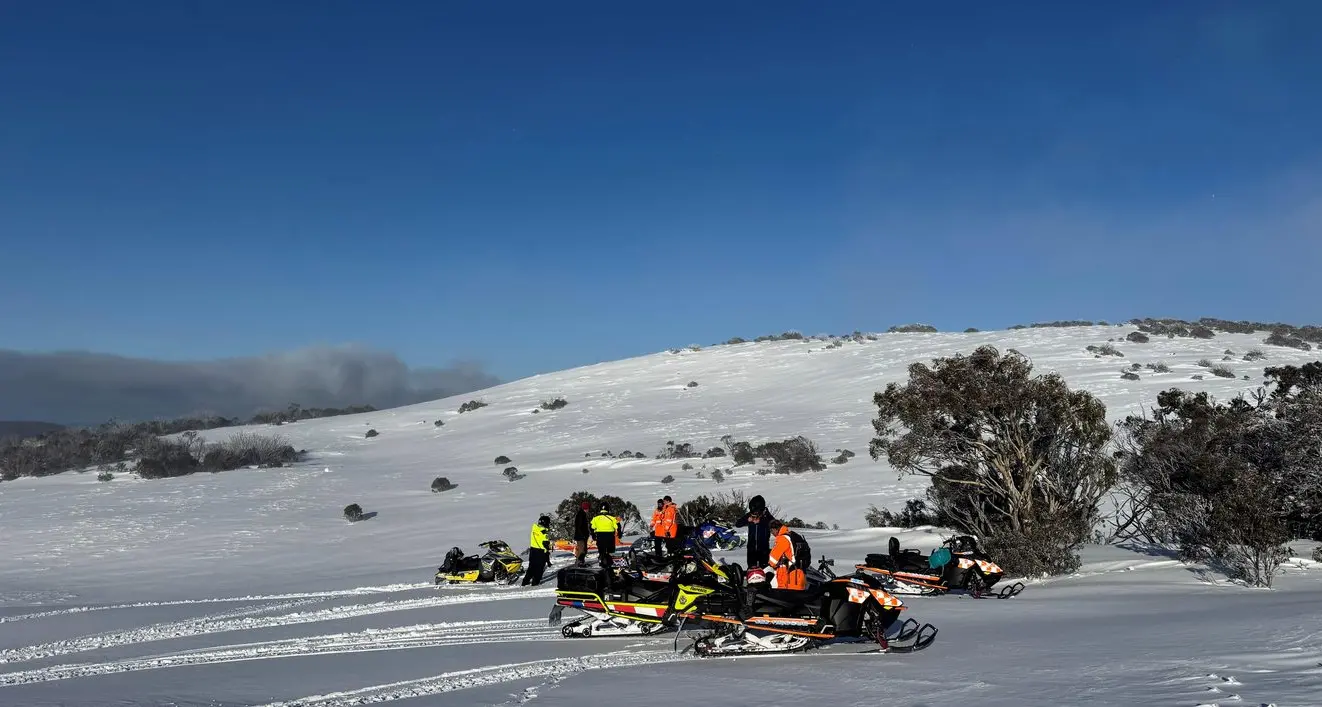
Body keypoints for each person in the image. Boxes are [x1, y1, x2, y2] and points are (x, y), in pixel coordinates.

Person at [765, 518, 806, 591]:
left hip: (786, 573)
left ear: (775, 529)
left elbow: (773, 559)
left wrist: (770, 564)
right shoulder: (790, 536)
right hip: (797, 572)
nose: (772, 533)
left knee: (785, 597)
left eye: (771, 531)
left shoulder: (782, 539)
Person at [735, 494, 774, 569]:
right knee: (751, 569)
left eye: (756, 512)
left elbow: (774, 524)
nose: (754, 514)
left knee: (764, 569)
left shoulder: (767, 516)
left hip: (763, 548)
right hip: (751, 548)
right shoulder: (750, 514)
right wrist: (747, 519)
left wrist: (761, 521)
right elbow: (738, 524)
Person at [523, 514, 552, 586]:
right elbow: (546, 545)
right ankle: (535, 583)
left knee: (531, 567)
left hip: (533, 550)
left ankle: (525, 582)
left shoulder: (535, 529)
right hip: (541, 552)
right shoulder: (544, 533)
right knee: (539, 569)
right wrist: (547, 556)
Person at [590, 502, 619, 572]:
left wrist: (593, 535)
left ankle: (602, 566)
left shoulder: (595, 518)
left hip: (600, 537)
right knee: (610, 552)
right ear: (608, 509)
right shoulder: (612, 518)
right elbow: (618, 527)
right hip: (610, 537)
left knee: (602, 552)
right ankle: (611, 567)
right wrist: (619, 534)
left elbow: (591, 527)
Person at [573, 501, 591, 566]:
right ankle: (579, 562)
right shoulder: (581, 514)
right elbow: (578, 526)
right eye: (588, 508)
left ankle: (580, 562)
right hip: (581, 536)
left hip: (582, 536)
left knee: (583, 550)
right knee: (582, 550)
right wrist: (582, 535)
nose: (588, 509)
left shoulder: (582, 514)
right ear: (585, 508)